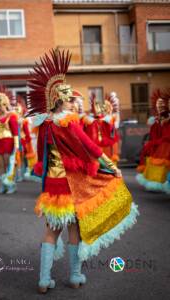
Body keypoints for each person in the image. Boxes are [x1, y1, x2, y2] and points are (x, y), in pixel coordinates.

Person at [27, 49, 139, 294]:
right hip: (71, 186)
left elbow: (42, 159)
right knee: (74, 230)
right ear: (60, 100)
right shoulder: (68, 122)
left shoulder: (44, 125)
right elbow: (89, 146)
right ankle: (76, 275)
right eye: (68, 98)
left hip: (52, 187)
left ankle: (44, 280)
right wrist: (111, 166)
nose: (70, 102)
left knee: (50, 231)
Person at [136, 93, 169, 192]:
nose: (159, 107)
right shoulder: (155, 120)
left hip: (163, 144)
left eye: (161, 104)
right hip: (156, 144)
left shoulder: (166, 119)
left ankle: (160, 182)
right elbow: (153, 134)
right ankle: (154, 182)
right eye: (157, 105)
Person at [0, 92, 19, 194]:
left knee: (9, 164)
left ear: (6, 104)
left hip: (8, 142)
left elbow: (15, 132)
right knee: (0, 164)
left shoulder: (11, 116)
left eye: (1, 105)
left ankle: (11, 185)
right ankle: (3, 185)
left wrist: (16, 146)